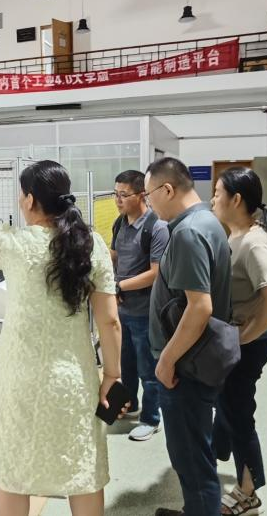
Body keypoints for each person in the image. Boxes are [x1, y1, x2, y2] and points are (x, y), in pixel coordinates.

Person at [0, 160, 125, 516]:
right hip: (74, 379)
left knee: (13, 473)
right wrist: (112, 375)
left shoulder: (12, 243)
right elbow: (110, 321)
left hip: (19, 379)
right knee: (84, 469)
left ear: (30, 199)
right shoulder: (91, 245)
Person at [144, 157, 233, 516]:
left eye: (149, 195)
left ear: (167, 189)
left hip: (185, 367)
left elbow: (199, 307)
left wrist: (166, 361)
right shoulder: (207, 223)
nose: (149, 203)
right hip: (196, 359)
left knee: (192, 459)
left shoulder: (188, 233)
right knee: (194, 451)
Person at [209, 167, 267, 515]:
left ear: (236, 199)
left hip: (248, 344)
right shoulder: (237, 235)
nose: (213, 199)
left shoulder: (255, 242)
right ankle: (221, 455)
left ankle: (248, 493)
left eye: (217, 193)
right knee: (228, 407)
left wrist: (244, 336)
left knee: (240, 415)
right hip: (237, 340)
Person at [110, 169, 171, 442]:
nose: (118, 200)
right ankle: (128, 405)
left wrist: (120, 286)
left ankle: (151, 419)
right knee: (126, 365)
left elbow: (156, 273)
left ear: (141, 195)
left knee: (148, 369)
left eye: (124, 195)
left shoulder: (156, 228)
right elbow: (114, 257)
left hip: (146, 313)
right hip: (121, 310)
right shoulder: (119, 224)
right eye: (115, 194)